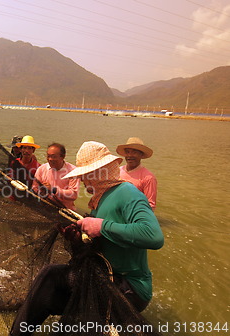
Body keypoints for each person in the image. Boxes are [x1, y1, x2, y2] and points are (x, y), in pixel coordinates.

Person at [10, 141, 164, 335]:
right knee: (51, 277)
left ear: (98, 173)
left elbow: (154, 236)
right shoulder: (99, 200)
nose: (82, 180)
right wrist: (76, 239)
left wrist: (101, 226)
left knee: (76, 320)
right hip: (102, 277)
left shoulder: (128, 193)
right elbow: (104, 245)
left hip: (129, 287)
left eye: (85, 175)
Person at [31, 143, 79, 211]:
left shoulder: (73, 171)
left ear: (62, 157)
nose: (50, 159)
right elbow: (34, 188)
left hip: (64, 209)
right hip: (45, 205)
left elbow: (73, 195)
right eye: (48, 156)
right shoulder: (41, 169)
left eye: (53, 156)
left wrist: (54, 190)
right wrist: (41, 190)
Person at [116, 137, 157, 210]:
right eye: (127, 152)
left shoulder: (148, 177)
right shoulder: (117, 171)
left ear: (141, 155)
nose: (130, 155)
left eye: (134, 152)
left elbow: (150, 205)